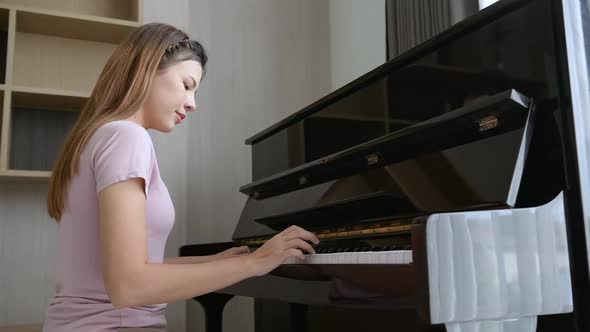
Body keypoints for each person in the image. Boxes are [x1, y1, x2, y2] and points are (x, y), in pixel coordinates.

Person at [42, 23, 319, 332]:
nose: (193, 103)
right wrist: (254, 263)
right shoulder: (126, 136)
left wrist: (217, 261)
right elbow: (128, 286)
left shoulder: (99, 136)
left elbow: (128, 270)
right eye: (187, 85)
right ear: (146, 69)